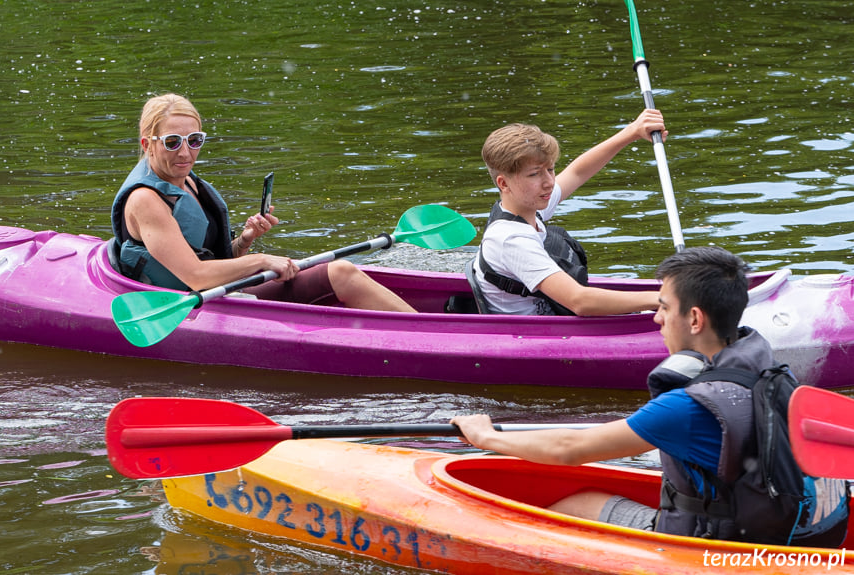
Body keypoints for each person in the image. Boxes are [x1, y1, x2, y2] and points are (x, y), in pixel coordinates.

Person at [453, 246, 848, 546]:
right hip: (801, 533)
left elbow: (569, 448)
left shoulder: (686, 407)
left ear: (694, 319)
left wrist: (484, 437)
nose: (657, 319)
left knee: (579, 503)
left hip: (717, 547)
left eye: (664, 307)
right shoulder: (771, 369)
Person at [111, 93, 415, 312]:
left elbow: (209, 258)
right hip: (193, 305)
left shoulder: (186, 182)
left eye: (195, 140)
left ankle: (422, 325)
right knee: (341, 273)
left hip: (220, 291)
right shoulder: (145, 200)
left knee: (340, 271)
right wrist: (261, 260)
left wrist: (244, 241)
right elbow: (195, 275)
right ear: (146, 144)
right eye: (173, 142)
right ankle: (428, 334)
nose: (186, 153)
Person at [472, 112, 666, 315]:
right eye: (534, 174)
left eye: (551, 169)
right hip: (535, 337)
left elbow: (577, 172)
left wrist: (632, 132)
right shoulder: (511, 239)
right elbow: (579, 301)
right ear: (504, 183)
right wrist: (664, 299)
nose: (549, 182)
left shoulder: (529, 205)